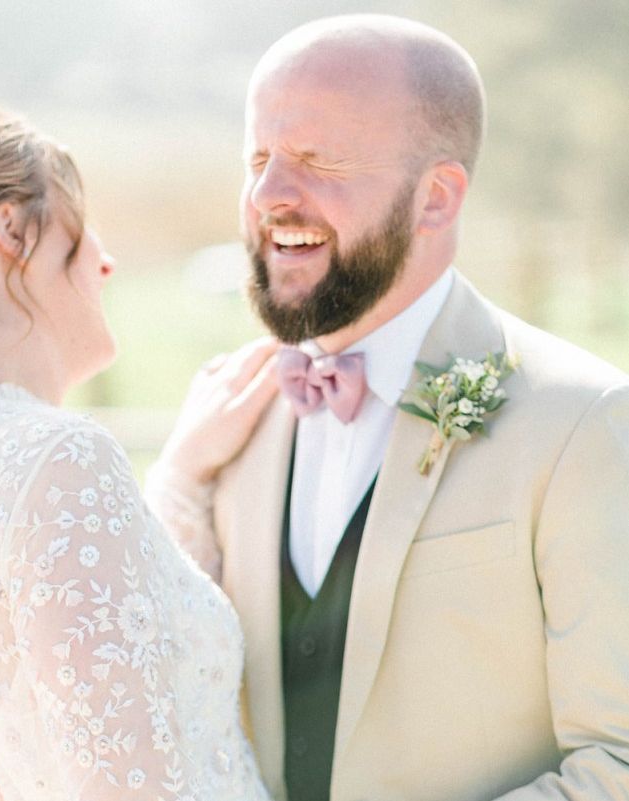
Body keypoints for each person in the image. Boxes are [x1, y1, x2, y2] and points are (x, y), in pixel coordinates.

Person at [146, 14, 629, 801]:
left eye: (315, 159)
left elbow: (618, 763)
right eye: (258, 159)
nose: (268, 195)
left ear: (435, 198)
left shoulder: (582, 423)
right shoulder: (231, 411)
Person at [0, 95, 279, 801]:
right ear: (11, 227)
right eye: (79, 222)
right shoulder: (59, 457)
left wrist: (186, 470)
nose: (104, 259)